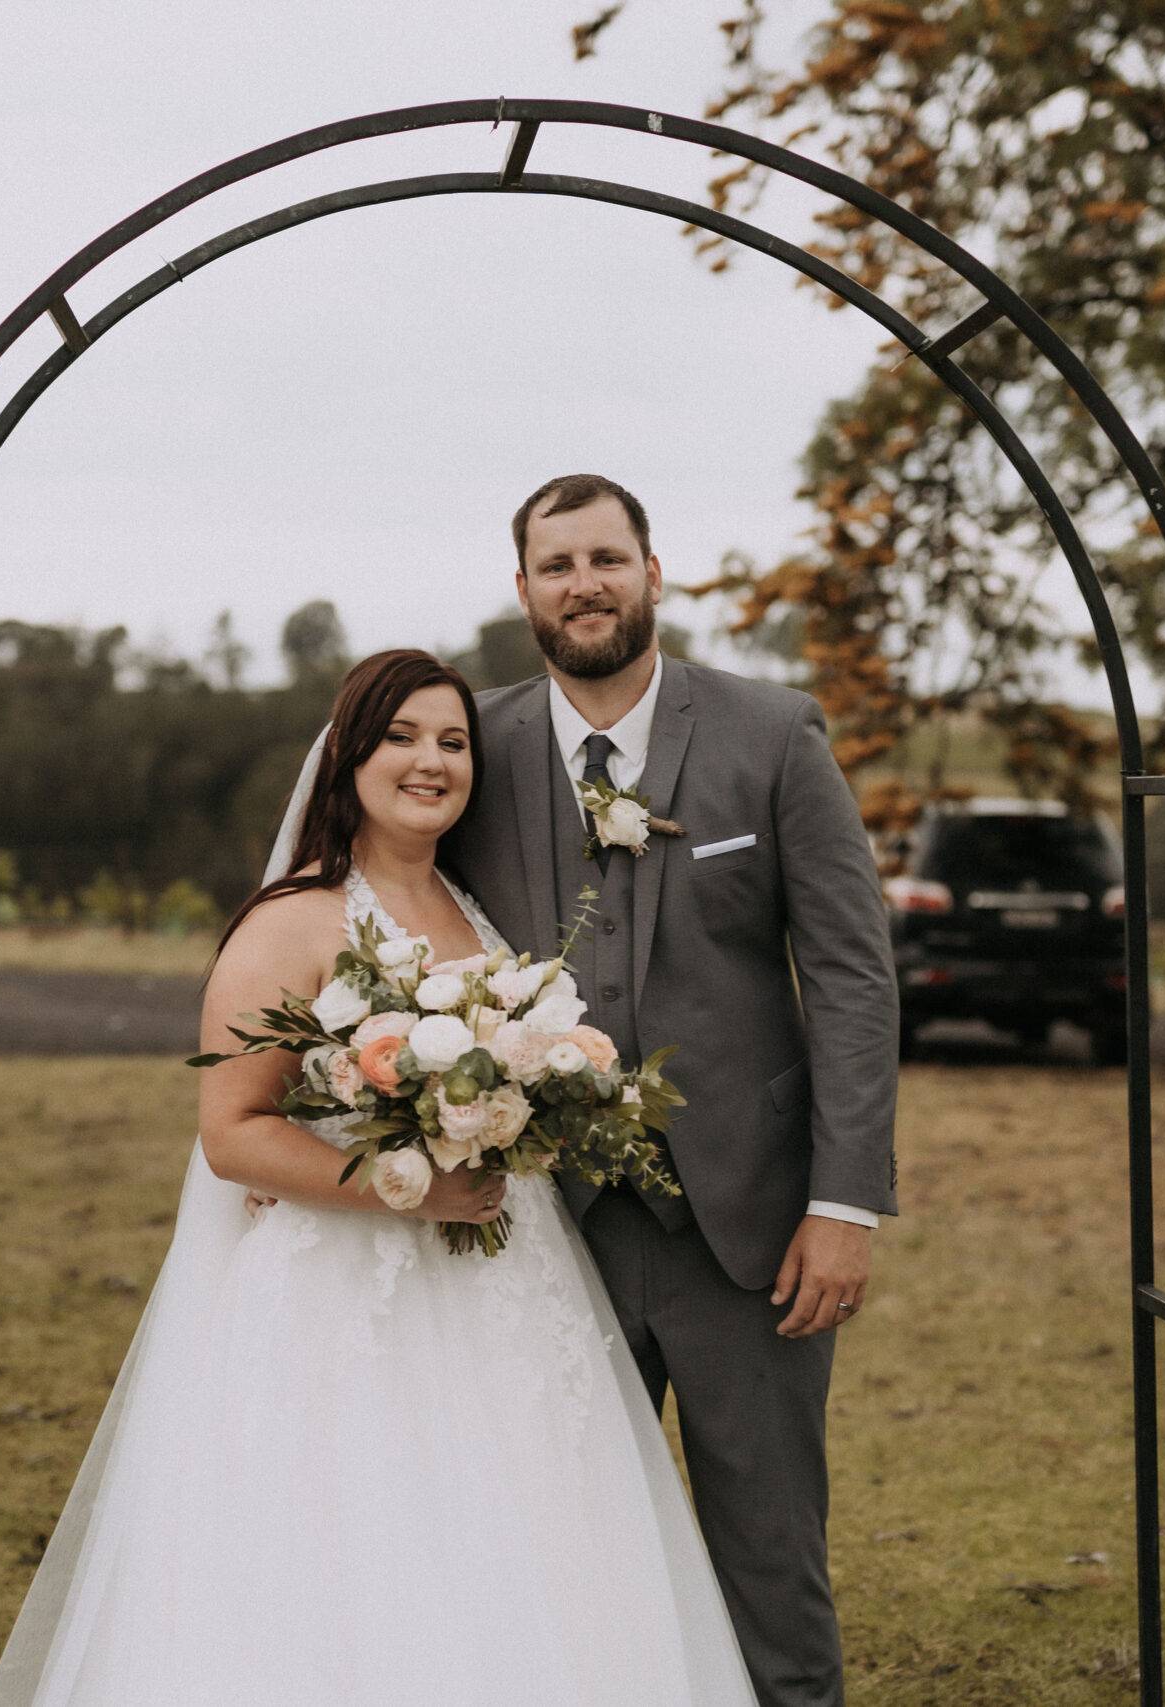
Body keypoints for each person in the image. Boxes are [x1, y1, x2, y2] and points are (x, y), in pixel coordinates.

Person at [0, 647, 758, 1706]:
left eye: (453, 742)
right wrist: (411, 1187)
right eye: (401, 737)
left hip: (505, 1283)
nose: (431, 761)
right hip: (343, 1298)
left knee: (522, 1539)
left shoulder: (474, 908)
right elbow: (232, 1132)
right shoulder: (292, 919)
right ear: (348, 756)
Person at [445, 473, 901, 1707]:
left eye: (605, 558)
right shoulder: (469, 746)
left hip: (750, 1233)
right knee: (558, 1557)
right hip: (543, 1231)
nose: (582, 585)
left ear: (652, 572)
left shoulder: (773, 732)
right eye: (556, 566)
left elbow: (851, 977)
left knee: (769, 1563)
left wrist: (844, 1205)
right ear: (524, 590)